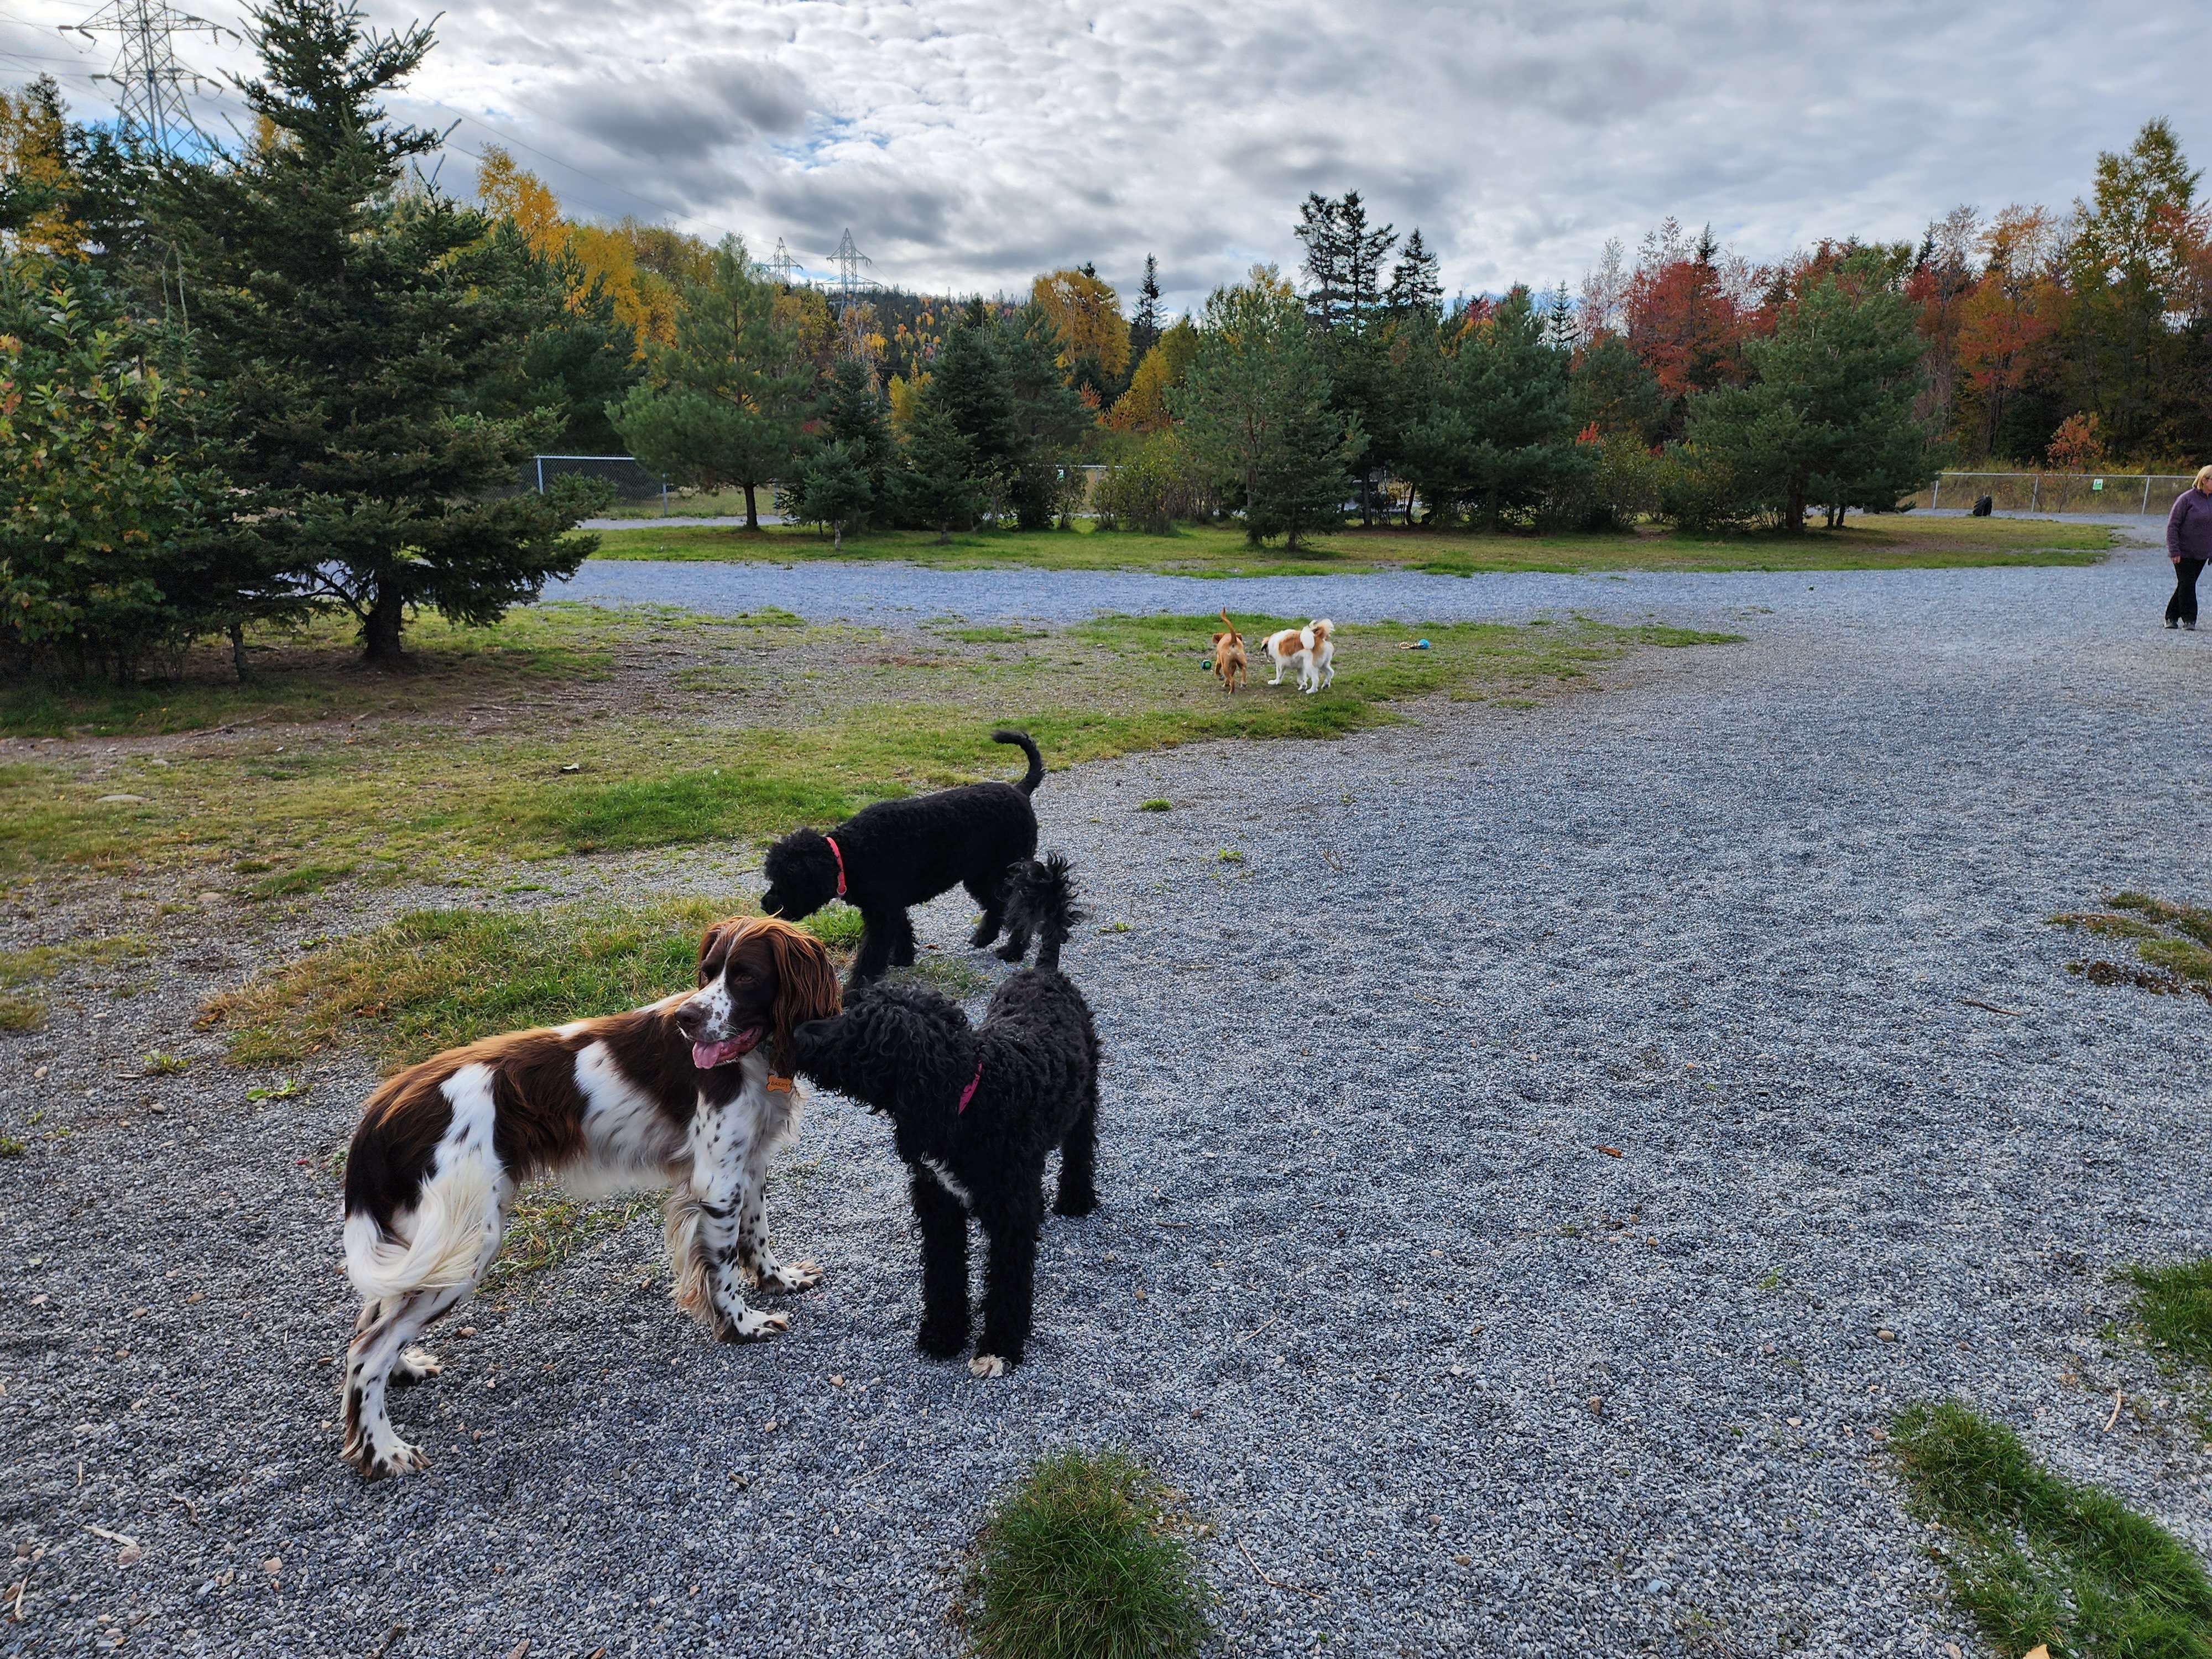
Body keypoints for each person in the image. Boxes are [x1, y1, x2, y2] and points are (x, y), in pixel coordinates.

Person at [2167, 465, 2212, 630]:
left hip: (2202, 554)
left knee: (2185, 584)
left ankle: (2171, 616)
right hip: (2183, 552)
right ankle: (2189, 619)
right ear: (2204, 480)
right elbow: (2173, 525)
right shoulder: (2186, 499)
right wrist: (2174, 550)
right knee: (2187, 583)